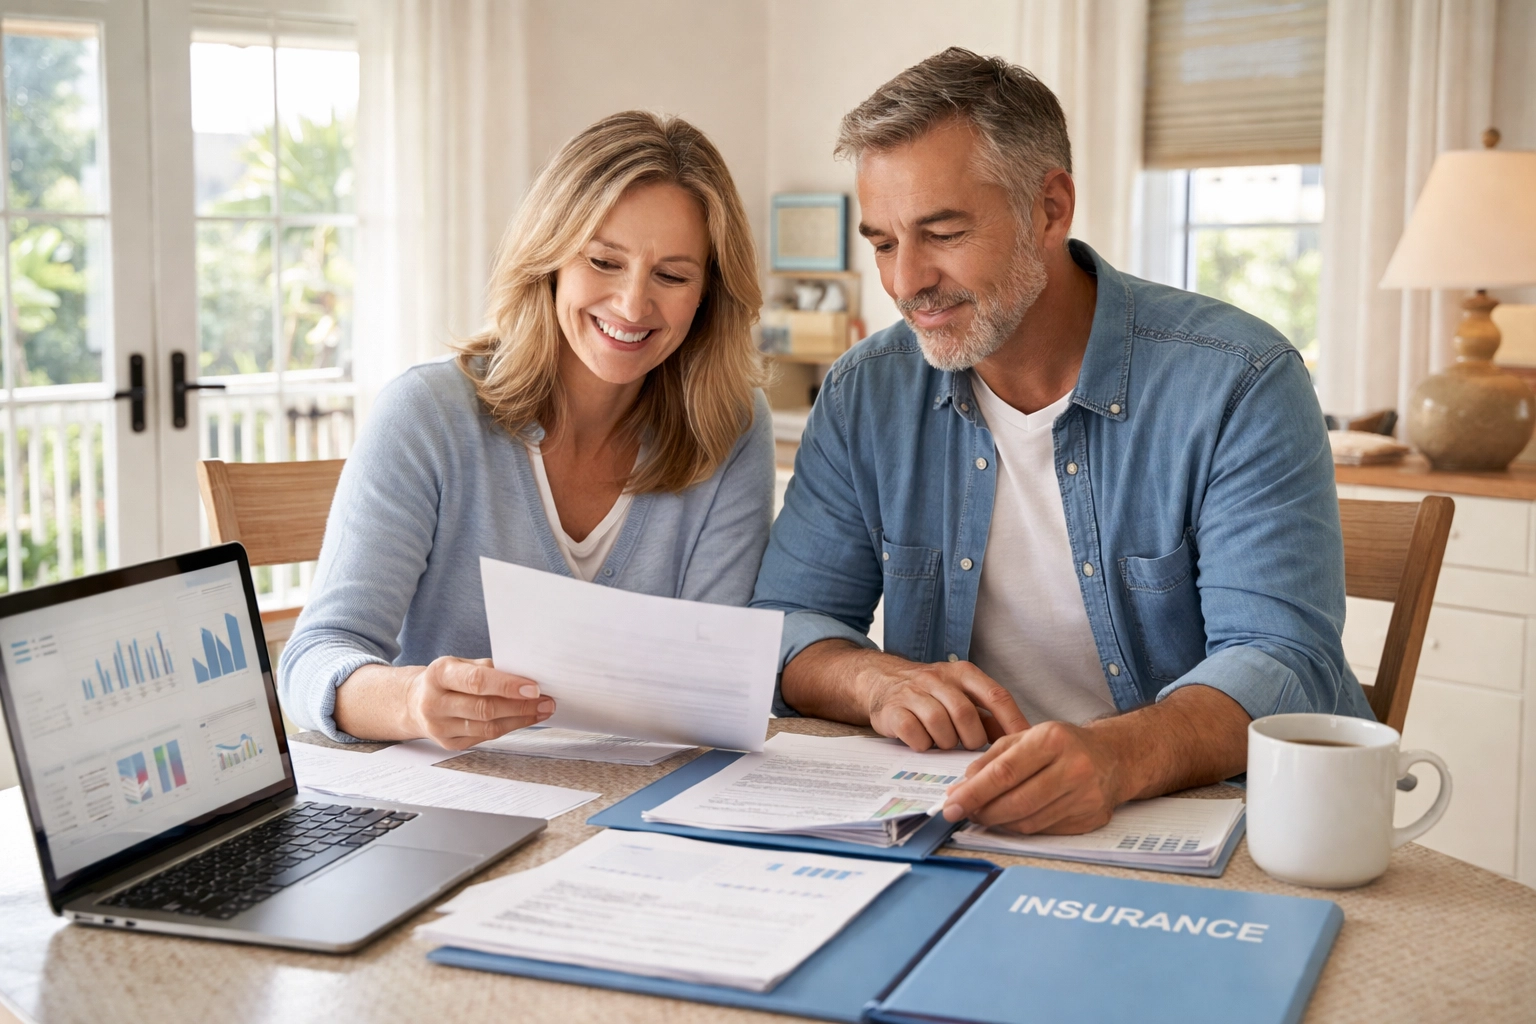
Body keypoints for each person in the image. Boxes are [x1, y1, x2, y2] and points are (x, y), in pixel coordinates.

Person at [751, 49, 1372, 836]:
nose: (905, 281)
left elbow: (1284, 661)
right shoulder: (865, 391)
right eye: (882, 242)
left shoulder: (1239, 380)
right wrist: (871, 680)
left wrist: (1116, 758)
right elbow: (785, 626)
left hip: (1201, 817)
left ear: (1050, 207)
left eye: (942, 232)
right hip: (954, 815)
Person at [281, 111, 774, 749]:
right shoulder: (427, 414)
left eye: (673, 276)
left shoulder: (730, 427)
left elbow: (715, 684)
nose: (632, 305)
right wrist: (411, 703)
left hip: (639, 804)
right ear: (551, 260)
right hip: (447, 797)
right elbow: (314, 658)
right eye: (603, 261)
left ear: (708, 294)